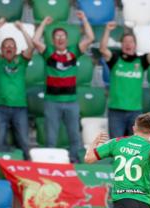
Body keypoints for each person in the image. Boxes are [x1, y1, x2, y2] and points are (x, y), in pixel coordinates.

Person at [32, 11, 94, 163]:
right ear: (53, 40)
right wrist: (43, 24)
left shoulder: (74, 52)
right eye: (57, 37)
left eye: (62, 36)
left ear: (67, 39)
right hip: (52, 102)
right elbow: (35, 40)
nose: (60, 39)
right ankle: (51, 162)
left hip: (71, 102)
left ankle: (74, 160)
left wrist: (84, 18)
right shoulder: (48, 53)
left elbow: (91, 38)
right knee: (51, 137)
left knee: (74, 135)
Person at [100, 22, 150, 138]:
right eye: (125, 42)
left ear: (135, 45)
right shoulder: (115, 59)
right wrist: (107, 30)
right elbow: (103, 49)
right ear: (121, 44)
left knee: (133, 146)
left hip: (135, 112)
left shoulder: (141, 61)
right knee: (116, 146)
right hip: (116, 111)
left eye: (131, 42)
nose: (128, 44)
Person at [0, 18, 34, 159]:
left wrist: (22, 30)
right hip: (0, 107)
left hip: (19, 107)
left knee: (24, 143)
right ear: (2, 50)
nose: (9, 48)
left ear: (16, 49)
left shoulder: (21, 61)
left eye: (12, 46)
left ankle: (27, 169)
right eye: (6, 46)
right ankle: (1, 172)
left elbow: (31, 47)